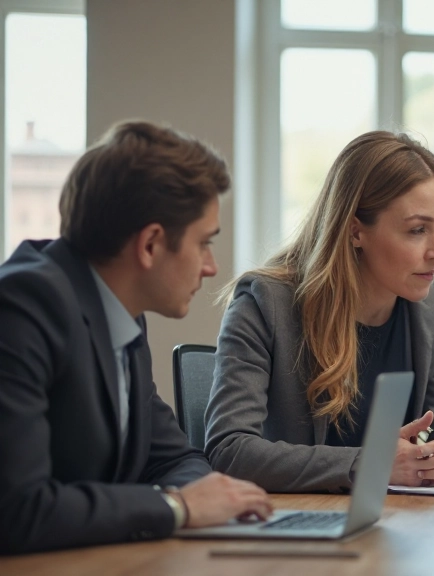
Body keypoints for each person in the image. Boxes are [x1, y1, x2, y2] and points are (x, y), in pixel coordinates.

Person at [0, 121, 272, 555]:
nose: (211, 267)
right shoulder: (24, 306)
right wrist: (177, 507)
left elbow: (174, 458)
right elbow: (18, 509)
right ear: (150, 245)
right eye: (204, 243)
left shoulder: (120, 314)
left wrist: (204, 501)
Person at [205, 131, 434, 492]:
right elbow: (230, 450)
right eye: (417, 230)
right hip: (299, 519)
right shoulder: (265, 303)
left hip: (396, 517)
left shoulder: (428, 305)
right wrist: (370, 465)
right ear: (355, 232)